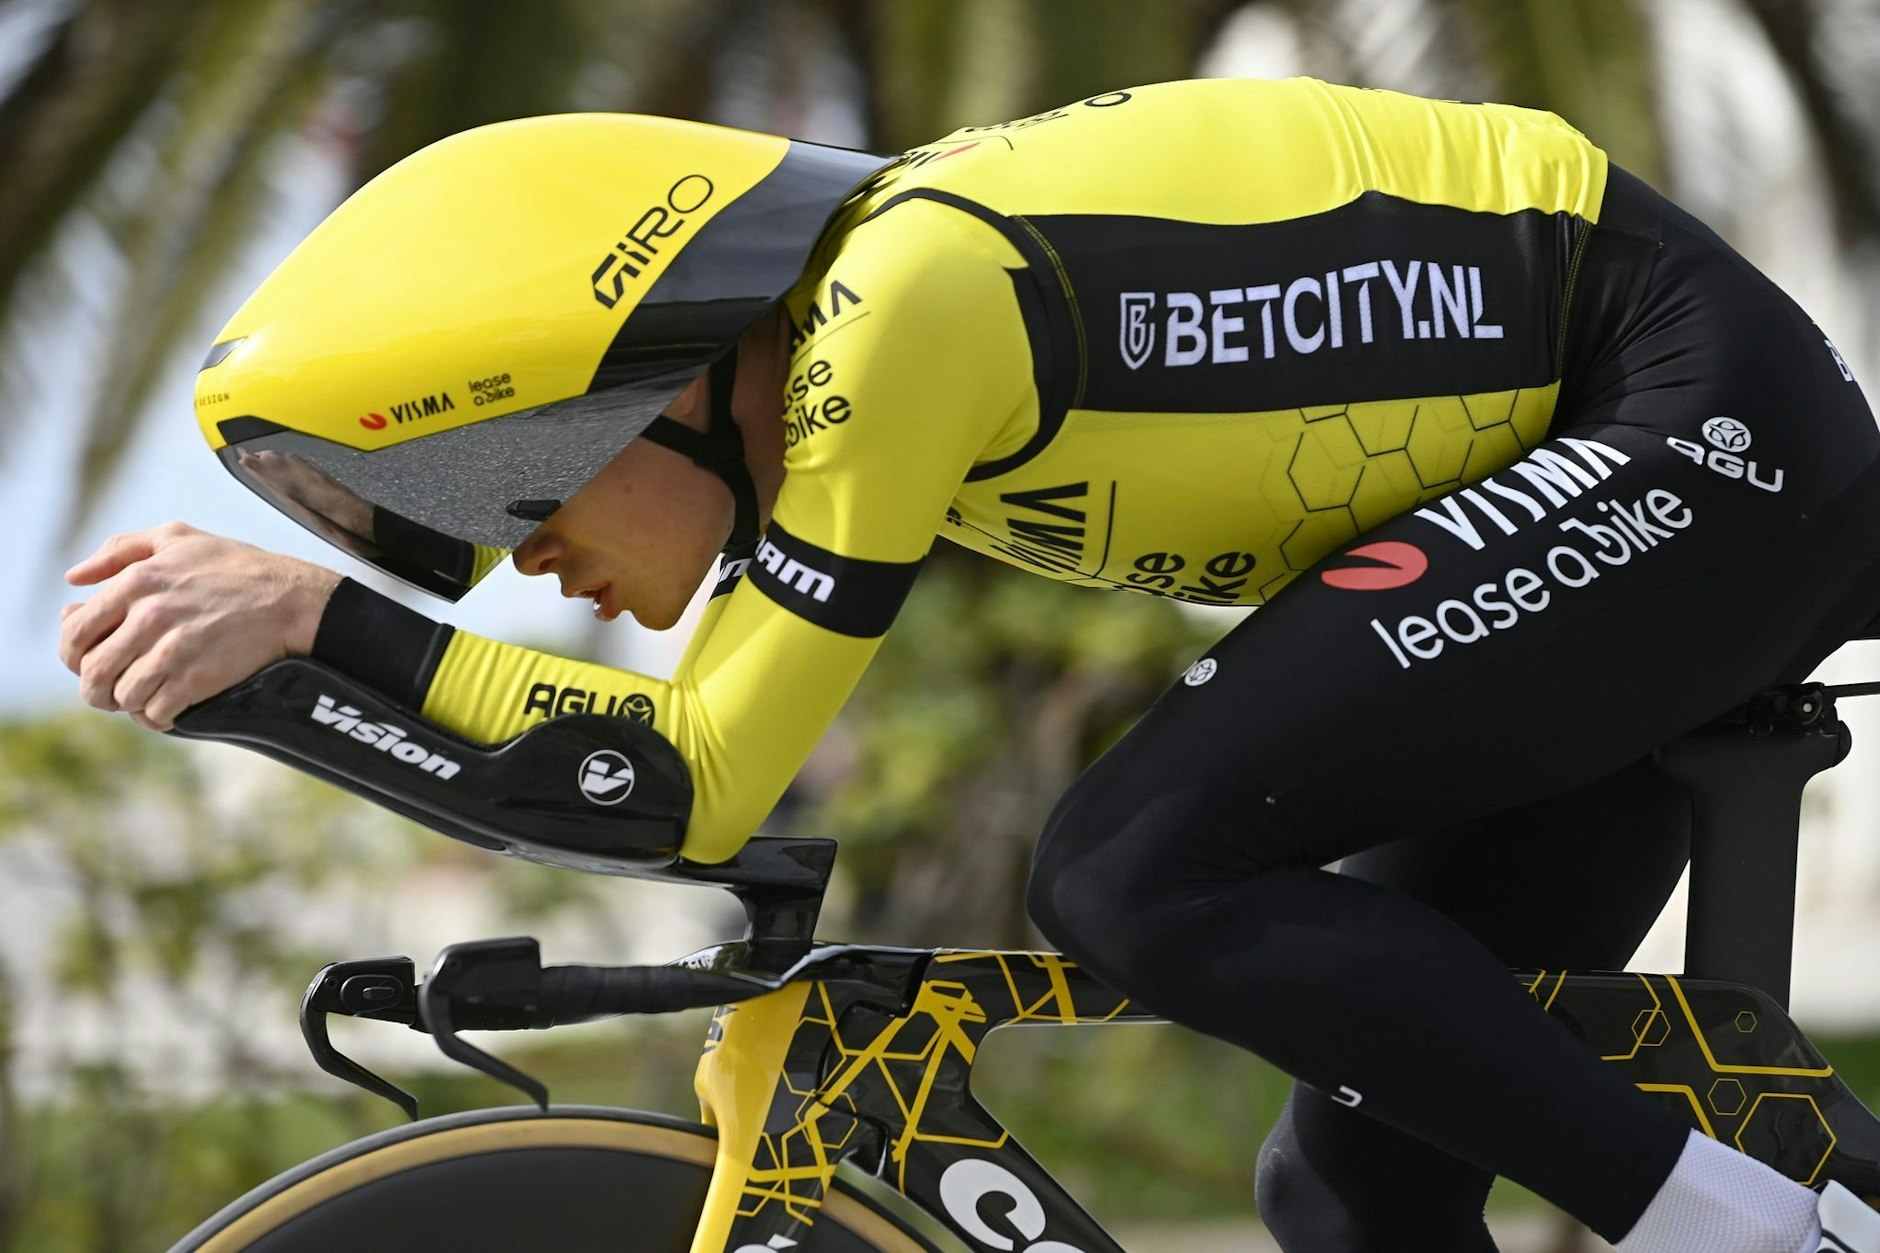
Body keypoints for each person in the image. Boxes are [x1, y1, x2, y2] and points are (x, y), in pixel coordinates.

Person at [58, 78, 1880, 1252]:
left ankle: (1751, 1237)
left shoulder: (899, 311)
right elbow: (642, 789)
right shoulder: (874, 351)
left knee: (1125, 868)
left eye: (526, 500)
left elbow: (698, 778)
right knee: (1356, 1186)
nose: (541, 568)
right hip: (1587, 475)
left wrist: (320, 629)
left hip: (1678, 404)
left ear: (646, 381)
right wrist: (302, 675)